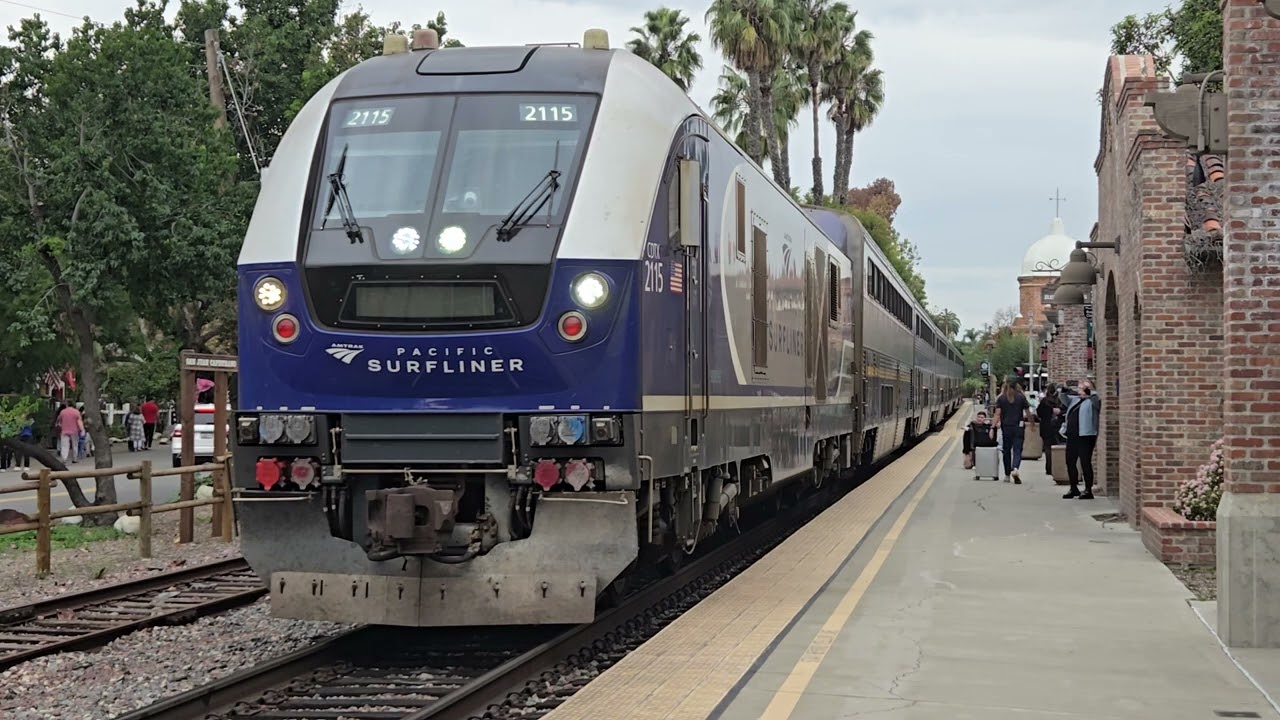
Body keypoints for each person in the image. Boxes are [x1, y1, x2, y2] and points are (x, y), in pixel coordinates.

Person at [1063, 378, 1101, 499]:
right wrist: (1065, 387)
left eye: (1084, 388)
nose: (1081, 390)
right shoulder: (1075, 400)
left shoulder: (1093, 401)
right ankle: (1073, 488)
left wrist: (1088, 390)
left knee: (1085, 462)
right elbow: (1063, 398)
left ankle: (1088, 490)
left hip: (1086, 435)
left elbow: (1095, 397)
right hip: (1072, 435)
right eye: (1080, 388)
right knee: (1070, 461)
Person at [992, 380, 1031, 483]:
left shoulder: (1001, 398)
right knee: (1017, 450)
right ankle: (1015, 468)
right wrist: (1032, 424)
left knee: (1006, 451)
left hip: (1006, 428)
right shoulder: (1021, 397)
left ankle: (1007, 475)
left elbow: (997, 414)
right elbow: (1027, 412)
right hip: (1019, 427)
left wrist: (992, 426)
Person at [1035, 385, 1064, 479]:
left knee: (1048, 447)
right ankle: (1058, 467)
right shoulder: (1059, 401)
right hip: (1057, 427)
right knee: (1058, 448)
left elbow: (1039, 412)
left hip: (1045, 426)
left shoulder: (1044, 401)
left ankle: (1049, 468)